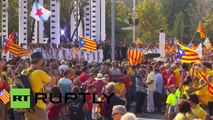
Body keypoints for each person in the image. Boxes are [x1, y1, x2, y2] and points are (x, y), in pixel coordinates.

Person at [24, 52, 54, 120]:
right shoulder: (39, 72)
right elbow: (52, 82)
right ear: (40, 61)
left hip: (27, 105)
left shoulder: (24, 71)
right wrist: (46, 69)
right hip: (38, 105)